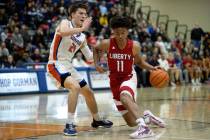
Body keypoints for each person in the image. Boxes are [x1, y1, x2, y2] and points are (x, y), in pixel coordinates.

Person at [47, 1, 113, 136]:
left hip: (68, 66)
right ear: (72, 15)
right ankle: (69, 123)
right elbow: (64, 32)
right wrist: (82, 29)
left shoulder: (82, 37)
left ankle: (97, 120)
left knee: (88, 92)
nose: (84, 16)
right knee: (75, 87)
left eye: (85, 14)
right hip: (55, 63)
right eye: (80, 13)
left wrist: (101, 56)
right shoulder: (65, 23)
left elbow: (89, 57)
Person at [93, 16, 165, 139]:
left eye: (123, 33)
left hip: (128, 77)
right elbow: (95, 49)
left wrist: (152, 68)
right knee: (131, 122)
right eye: (117, 33)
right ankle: (147, 117)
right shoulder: (107, 43)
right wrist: (97, 64)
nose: (120, 36)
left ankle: (144, 128)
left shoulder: (134, 46)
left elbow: (140, 62)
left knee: (125, 97)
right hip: (114, 81)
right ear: (113, 32)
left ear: (128, 31)